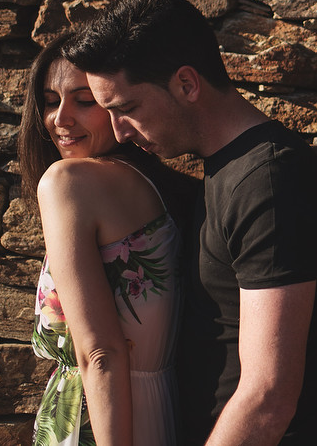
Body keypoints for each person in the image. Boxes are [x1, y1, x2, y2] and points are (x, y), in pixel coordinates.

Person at [64, 0, 317, 445]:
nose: (118, 131)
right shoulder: (226, 170)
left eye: (127, 109)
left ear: (187, 84)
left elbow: (268, 398)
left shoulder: (271, 182)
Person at [20, 33, 193, 445]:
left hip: (102, 422)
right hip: (160, 410)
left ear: (114, 106)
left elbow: (100, 353)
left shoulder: (68, 182)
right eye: (50, 101)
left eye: (84, 101)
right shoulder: (162, 189)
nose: (60, 119)